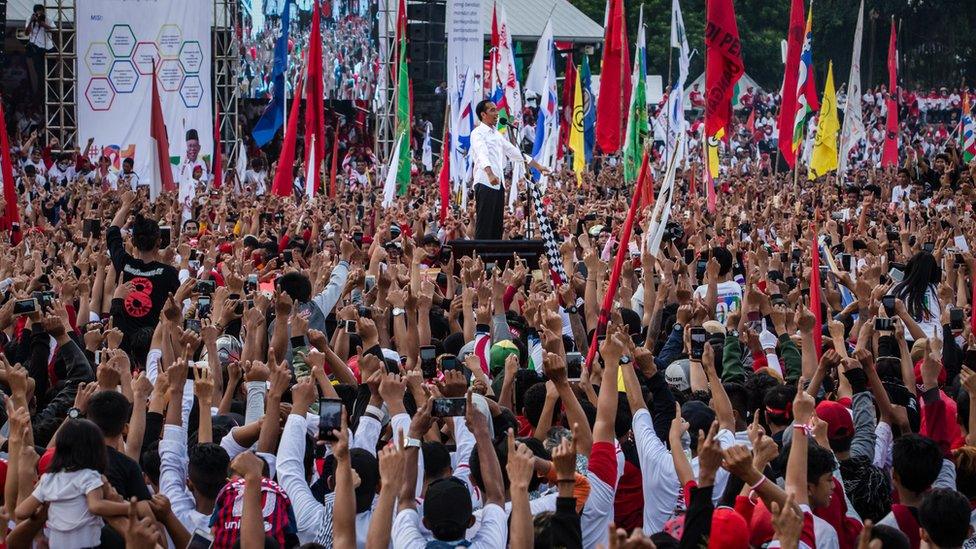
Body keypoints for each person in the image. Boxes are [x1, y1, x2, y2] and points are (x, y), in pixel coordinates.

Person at [469, 99, 549, 240]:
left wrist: (539, 167)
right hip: (485, 181)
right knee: (484, 225)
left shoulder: (496, 135)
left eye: (496, 110)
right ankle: (480, 259)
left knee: (496, 225)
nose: (497, 114)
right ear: (483, 114)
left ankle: (494, 261)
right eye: (492, 110)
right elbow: (482, 154)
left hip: (498, 184)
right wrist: (489, 173)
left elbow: (515, 152)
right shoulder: (478, 133)